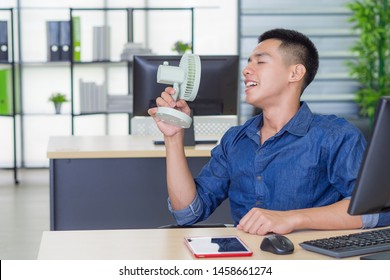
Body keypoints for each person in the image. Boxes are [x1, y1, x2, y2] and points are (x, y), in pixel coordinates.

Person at [148, 28, 386, 236]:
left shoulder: (336, 136)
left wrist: (293, 218)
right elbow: (187, 213)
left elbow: (373, 212)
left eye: (260, 62)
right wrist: (173, 138)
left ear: (295, 73)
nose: (246, 71)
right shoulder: (235, 140)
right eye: (248, 62)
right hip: (248, 263)